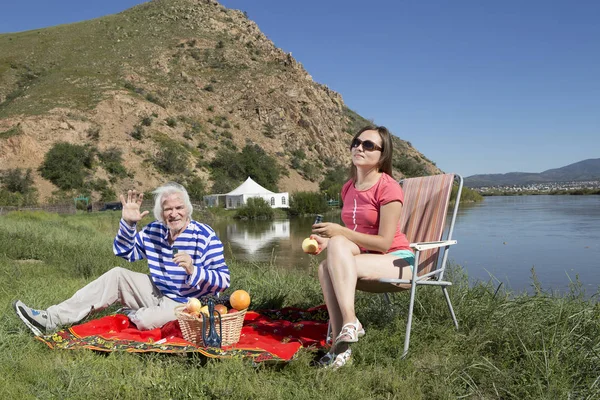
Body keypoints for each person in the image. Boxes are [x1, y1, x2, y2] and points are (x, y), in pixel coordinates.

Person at [14, 182, 230, 336]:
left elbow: (223, 280)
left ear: (188, 209)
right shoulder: (154, 231)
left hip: (187, 303)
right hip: (157, 291)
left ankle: (136, 314)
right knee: (117, 274)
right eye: (168, 209)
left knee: (146, 321)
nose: (174, 214)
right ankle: (51, 319)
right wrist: (128, 224)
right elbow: (126, 253)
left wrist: (194, 269)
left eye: (179, 208)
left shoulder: (204, 235)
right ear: (161, 213)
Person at [311, 126, 414, 369]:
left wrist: (341, 232)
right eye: (356, 142)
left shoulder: (388, 188)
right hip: (367, 259)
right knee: (327, 264)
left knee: (332, 260)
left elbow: (383, 243)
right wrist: (327, 241)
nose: (359, 147)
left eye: (368, 145)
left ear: (383, 155)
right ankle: (341, 348)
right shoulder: (348, 188)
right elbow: (354, 238)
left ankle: (349, 324)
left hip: (398, 262)